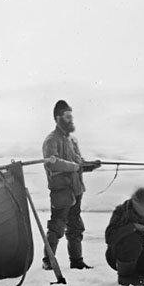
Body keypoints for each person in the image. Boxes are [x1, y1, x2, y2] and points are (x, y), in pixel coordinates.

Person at [42, 100, 101, 270]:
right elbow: (51, 163)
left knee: (75, 227)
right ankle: (48, 261)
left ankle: (77, 262)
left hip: (76, 190)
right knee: (57, 226)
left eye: (71, 116)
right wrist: (74, 167)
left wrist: (90, 165)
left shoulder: (72, 140)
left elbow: (78, 162)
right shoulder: (51, 140)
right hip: (61, 191)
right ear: (58, 118)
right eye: (67, 116)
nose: (71, 119)